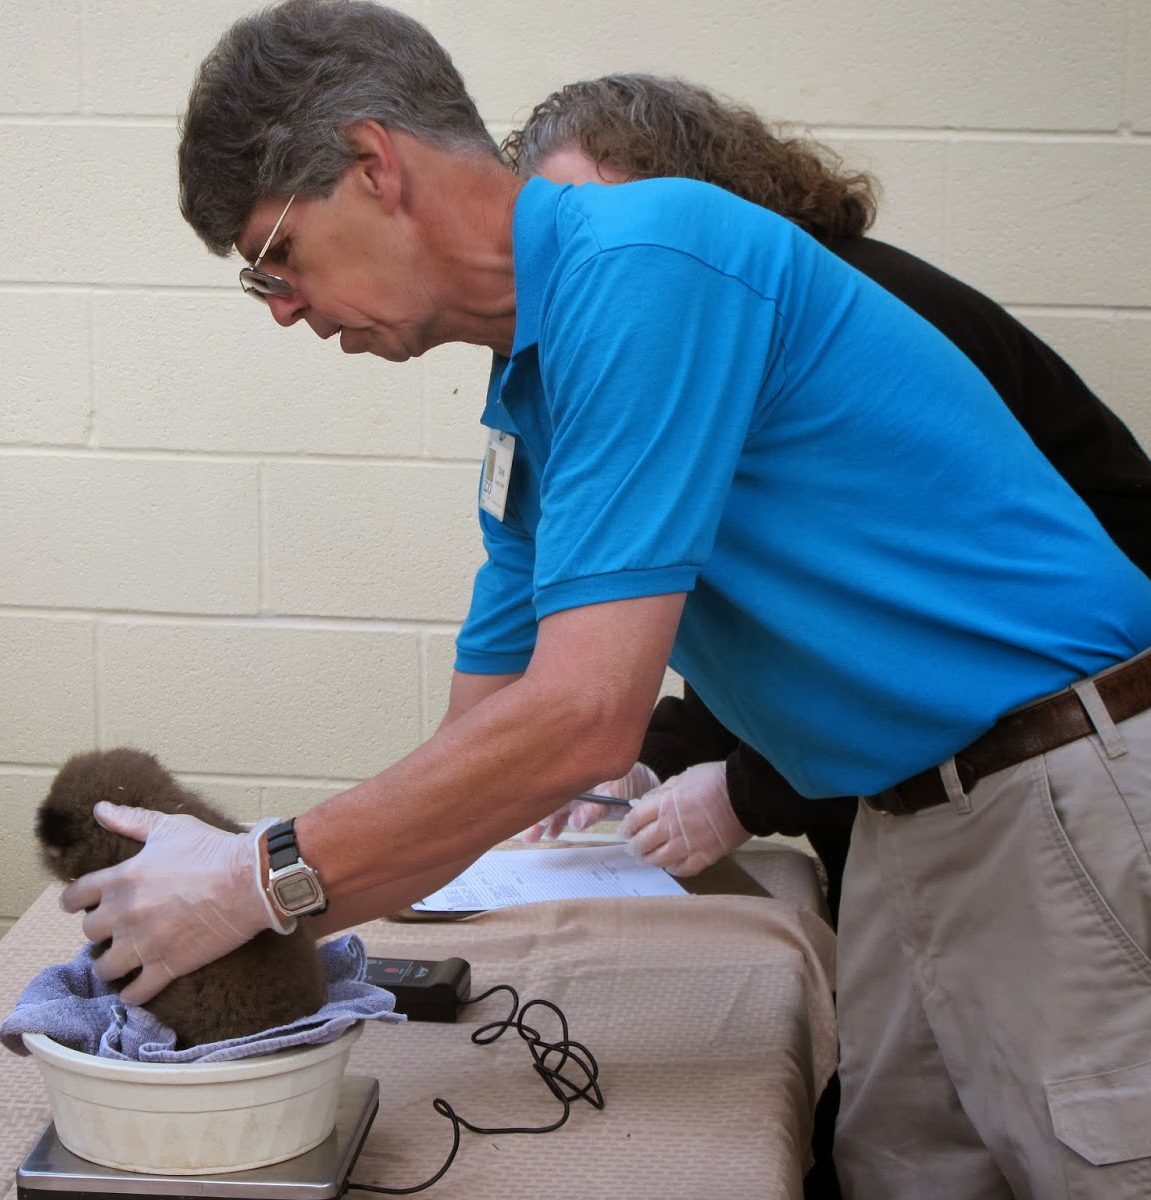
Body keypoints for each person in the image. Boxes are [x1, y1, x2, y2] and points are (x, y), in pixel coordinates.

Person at [61, 4, 1151, 1196]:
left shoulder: (646, 260)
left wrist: (246, 879)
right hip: (907, 817)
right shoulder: (526, 396)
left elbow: (585, 720)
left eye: (274, 254)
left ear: (374, 167)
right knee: (902, 1177)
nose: (279, 305)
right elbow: (480, 746)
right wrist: (240, 921)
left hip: (1059, 784)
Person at [506, 74, 1151, 924]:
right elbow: (783, 607)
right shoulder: (692, 338)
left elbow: (900, 612)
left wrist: (744, 790)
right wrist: (658, 755)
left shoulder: (849, 308)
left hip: (1049, 760)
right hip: (912, 793)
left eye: (596, 214)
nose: (584, 252)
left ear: (696, 196)